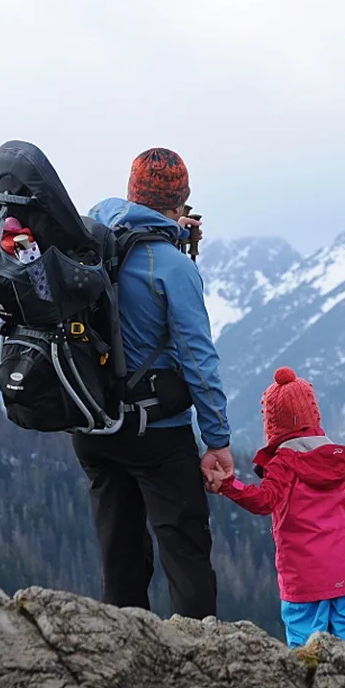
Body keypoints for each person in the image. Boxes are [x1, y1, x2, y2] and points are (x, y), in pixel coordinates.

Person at [71, 147, 233, 620]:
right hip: (156, 433)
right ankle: (201, 651)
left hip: (93, 424)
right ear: (181, 199)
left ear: (131, 191)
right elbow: (198, 360)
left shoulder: (90, 239)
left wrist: (171, 233)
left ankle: (123, 648)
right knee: (185, 553)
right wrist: (217, 440)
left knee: (119, 555)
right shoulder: (172, 267)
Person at [204, 366, 345, 650]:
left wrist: (230, 485)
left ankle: (308, 678)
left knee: (305, 639)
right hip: (342, 569)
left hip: (302, 574)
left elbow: (263, 501)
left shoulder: (283, 463)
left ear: (273, 424)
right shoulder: (339, 458)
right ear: (313, 413)